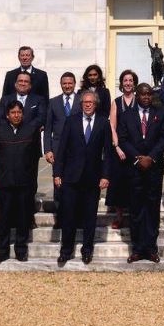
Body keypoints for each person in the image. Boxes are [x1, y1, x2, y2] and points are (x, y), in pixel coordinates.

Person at [51, 88, 111, 266]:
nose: (87, 105)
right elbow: (61, 149)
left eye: (91, 102)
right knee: (68, 215)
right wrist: (57, 173)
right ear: (81, 104)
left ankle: (87, 250)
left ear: (96, 104)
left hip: (92, 178)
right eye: (85, 102)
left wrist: (106, 175)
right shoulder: (71, 121)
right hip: (71, 177)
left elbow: (107, 153)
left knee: (89, 217)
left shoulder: (103, 123)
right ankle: (66, 251)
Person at [118, 81, 164, 263]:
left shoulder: (161, 113)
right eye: (143, 94)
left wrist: (151, 157)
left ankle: (151, 248)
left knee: (152, 208)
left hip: (154, 168)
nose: (146, 97)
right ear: (137, 95)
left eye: (149, 94)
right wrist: (138, 158)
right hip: (134, 169)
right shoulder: (126, 115)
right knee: (136, 209)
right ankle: (138, 249)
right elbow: (123, 139)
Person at [0, 98, 42, 262]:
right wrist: (5, 169)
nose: (16, 115)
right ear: (7, 115)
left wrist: (26, 172)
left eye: (19, 112)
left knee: (23, 217)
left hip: (24, 183)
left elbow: (35, 156)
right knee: (4, 218)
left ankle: (21, 250)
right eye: (13, 112)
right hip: (5, 183)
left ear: (23, 114)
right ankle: (2, 251)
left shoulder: (30, 131)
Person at [106, 69, 139, 230]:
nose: (127, 83)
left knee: (134, 184)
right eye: (125, 80)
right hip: (119, 149)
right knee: (119, 183)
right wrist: (117, 146)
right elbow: (112, 125)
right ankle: (119, 217)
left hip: (135, 148)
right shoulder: (116, 102)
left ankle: (134, 216)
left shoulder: (139, 100)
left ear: (134, 83)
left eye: (130, 80)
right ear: (121, 83)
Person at [44, 72, 80, 165]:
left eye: (70, 83)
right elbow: (48, 129)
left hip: (78, 148)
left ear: (74, 84)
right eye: (64, 83)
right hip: (57, 149)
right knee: (58, 178)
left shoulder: (82, 101)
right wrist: (48, 150)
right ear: (61, 84)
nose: (67, 86)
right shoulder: (53, 102)